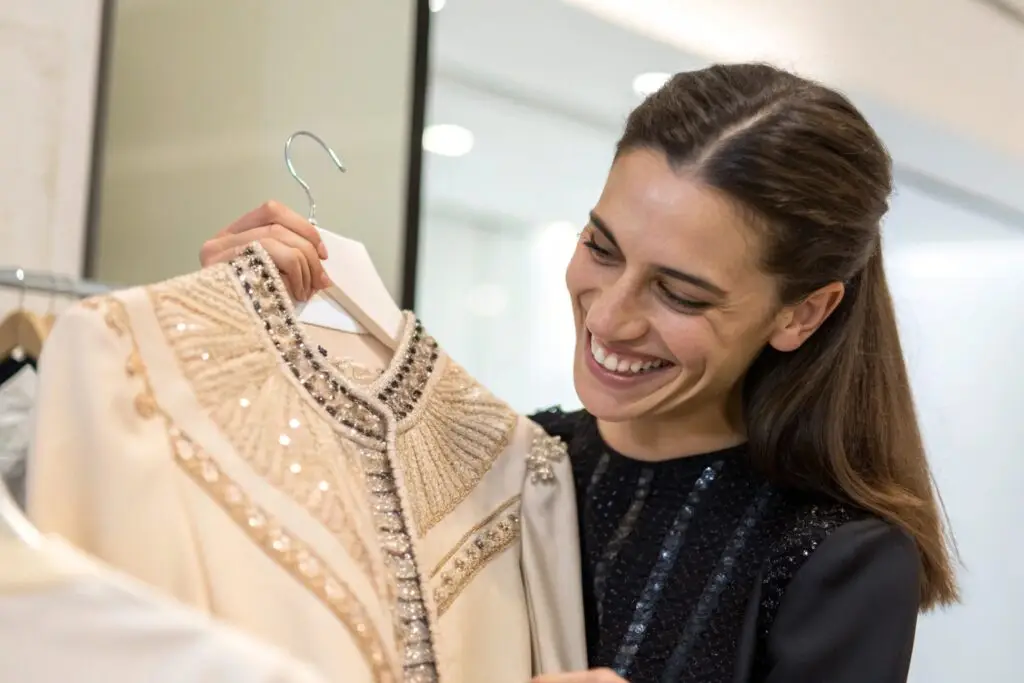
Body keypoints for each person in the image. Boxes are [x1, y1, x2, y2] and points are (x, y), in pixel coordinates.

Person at [199, 63, 958, 683]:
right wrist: (217, 341)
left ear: (803, 313)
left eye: (679, 292)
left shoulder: (839, 560)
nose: (609, 317)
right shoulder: (499, 464)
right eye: (601, 247)